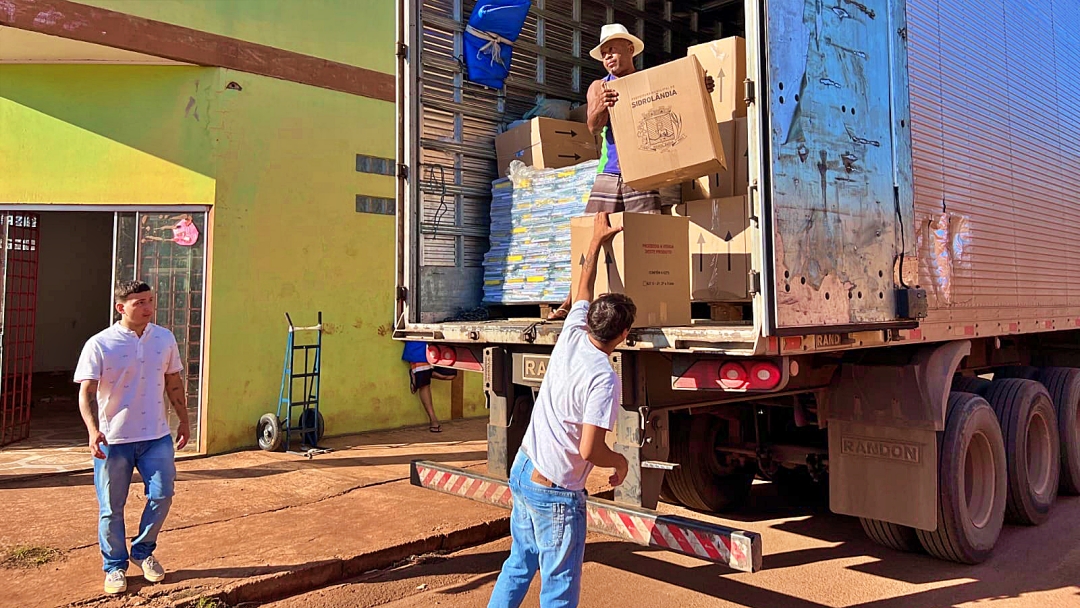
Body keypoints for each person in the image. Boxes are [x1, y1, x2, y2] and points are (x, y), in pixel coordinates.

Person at [489, 212, 635, 608]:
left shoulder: (572, 333)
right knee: (559, 588)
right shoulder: (604, 378)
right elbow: (590, 450)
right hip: (554, 492)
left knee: (519, 563)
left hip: (525, 467)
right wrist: (620, 463)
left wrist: (595, 240)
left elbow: (582, 284)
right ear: (623, 336)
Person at [548, 23, 713, 320]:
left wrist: (702, 87)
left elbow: (681, 101)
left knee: (649, 236)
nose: (609, 56)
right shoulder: (599, 86)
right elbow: (592, 126)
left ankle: (653, 300)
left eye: (614, 49)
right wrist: (604, 107)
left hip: (642, 173)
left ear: (630, 49)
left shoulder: (649, 83)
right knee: (590, 236)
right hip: (609, 172)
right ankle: (570, 301)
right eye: (605, 52)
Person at [75, 281, 190, 595]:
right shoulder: (100, 344)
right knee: (111, 507)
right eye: (139, 302)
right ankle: (114, 565)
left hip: (156, 435)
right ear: (121, 307)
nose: (148, 307)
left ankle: (143, 551)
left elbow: (173, 381)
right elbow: (86, 392)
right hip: (114, 439)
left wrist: (184, 420)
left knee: (163, 494)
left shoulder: (164, 338)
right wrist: (92, 429)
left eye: (150, 300)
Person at [402, 341, 458, 433]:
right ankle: (433, 419)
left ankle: (418, 375)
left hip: (437, 348)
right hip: (417, 349)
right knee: (424, 384)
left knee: (451, 374)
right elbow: (398, 329)